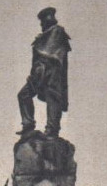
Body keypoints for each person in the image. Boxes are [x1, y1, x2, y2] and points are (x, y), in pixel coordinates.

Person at [17, 7, 71, 137]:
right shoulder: (43, 36)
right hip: (38, 73)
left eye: (43, 20)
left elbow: (52, 54)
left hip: (52, 73)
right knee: (23, 95)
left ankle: (52, 129)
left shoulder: (57, 31)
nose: (41, 24)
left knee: (53, 98)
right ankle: (28, 125)